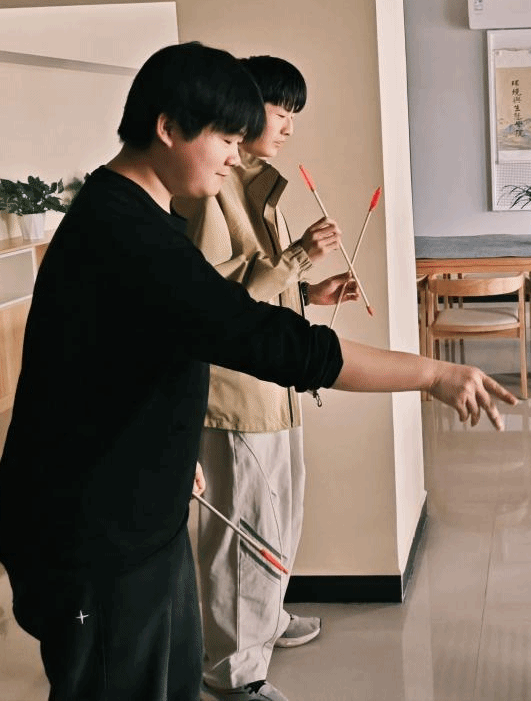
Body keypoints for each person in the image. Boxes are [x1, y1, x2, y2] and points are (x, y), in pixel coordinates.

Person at [0, 42, 515, 701]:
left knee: (170, 679)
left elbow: (131, 360)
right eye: (226, 139)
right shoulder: (127, 235)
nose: (235, 157)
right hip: (95, 535)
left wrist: (170, 450)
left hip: (135, 509)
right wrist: (432, 375)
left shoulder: (129, 213)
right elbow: (266, 338)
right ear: (168, 127)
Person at [175, 56, 355, 701]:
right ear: (243, 109)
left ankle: (266, 620)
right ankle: (233, 670)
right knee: (242, 532)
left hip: (271, 382)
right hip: (235, 392)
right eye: (281, 113)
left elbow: (260, 283)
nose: (288, 127)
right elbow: (216, 304)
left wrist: (310, 291)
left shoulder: (252, 182)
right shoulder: (210, 189)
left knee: (277, 518)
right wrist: (300, 254)